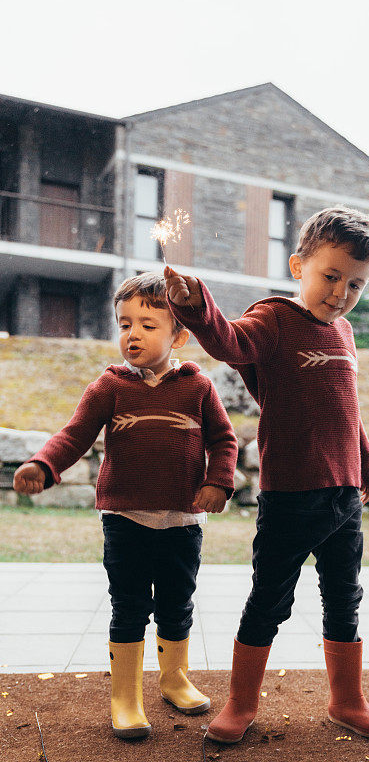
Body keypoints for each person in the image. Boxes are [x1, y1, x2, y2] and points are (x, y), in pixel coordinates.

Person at [164, 205, 369, 744]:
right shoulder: (271, 320)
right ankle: (240, 705)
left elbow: (349, 408)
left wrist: (365, 467)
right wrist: (196, 305)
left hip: (344, 497)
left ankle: (347, 700)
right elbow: (229, 342)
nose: (340, 293)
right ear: (299, 267)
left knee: (345, 597)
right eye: (331, 276)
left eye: (355, 284)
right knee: (269, 599)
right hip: (291, 495)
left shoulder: (345, 333)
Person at [12, 272, 238, 739]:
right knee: (130, 606)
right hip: (126, 520)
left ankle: (174, 679)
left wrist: (218, 481)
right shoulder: (109, 386)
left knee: (178, 603)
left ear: (179, 336)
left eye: (147, 324)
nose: (132, 334)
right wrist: (44, 464)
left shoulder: (197, 387)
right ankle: (126, 697)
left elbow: (223, 439)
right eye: (124, 323)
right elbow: (73, 435)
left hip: (182, 521)